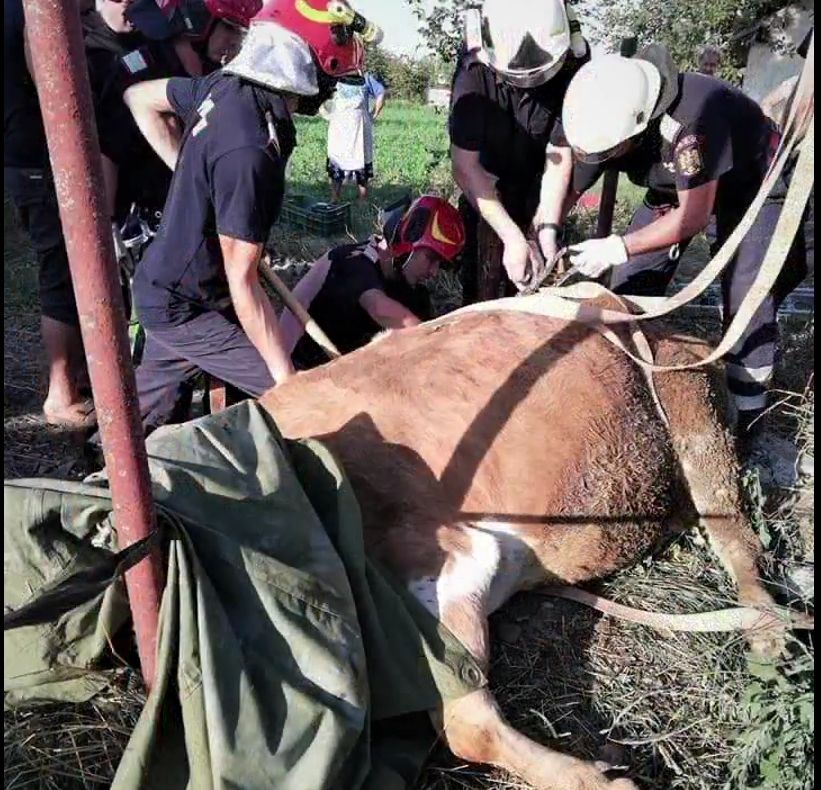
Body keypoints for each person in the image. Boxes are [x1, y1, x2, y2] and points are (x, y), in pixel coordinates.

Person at [122, 0, 379, 434]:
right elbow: (243, 280)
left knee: (145, 420)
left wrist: (195, 179)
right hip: (186, 306)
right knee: (298, 406)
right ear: (299, 61)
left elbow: (140, 98)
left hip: (168, 286)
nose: (331, 90)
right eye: (328, 77)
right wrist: (287, 381)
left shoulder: (222, 88)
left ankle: (109, 464)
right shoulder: (251, 148)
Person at [547, 46, 810, 436]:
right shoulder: (601, 111)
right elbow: (568, 183)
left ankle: (747, 416)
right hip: (673, 187)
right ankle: (632, 376)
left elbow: (692, 218)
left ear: (640, 128)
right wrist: (546, 229)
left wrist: (617, 245)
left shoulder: (693, 124)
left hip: (753, 188)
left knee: (746, 299)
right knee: (630, 280)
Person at [449, 0, 590, 303]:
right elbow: (464, 166)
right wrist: (511, 236)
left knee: (534, 277)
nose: (529, 85)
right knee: (479, 280)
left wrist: (548, 225)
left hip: (539, 178)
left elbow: (560, 151)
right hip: (486, 181)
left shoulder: (572, 65)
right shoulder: (473, 74)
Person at [4, 0, 94, 427]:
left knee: (61, 267)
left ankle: (73, 376)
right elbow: (48, 82)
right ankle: (60, 394)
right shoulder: (34, 12)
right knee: (59, 269)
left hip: (24, 154)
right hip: (39, 156)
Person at [280, 196, 465, 368]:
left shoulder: (413, 293)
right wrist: (436, 345)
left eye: (439, 264)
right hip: (297, 368)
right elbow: (379, 308)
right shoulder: (353, 261)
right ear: (409, 240)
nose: (433, 272)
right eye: (431, 259)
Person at [325, 70, 386, 202]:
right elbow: (321, 92)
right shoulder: (335, 76)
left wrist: (373, 115)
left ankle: (362, 199)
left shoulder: (366, 78)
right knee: (336, 159)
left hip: (359, 128)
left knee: (361, 159)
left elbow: (381, 93)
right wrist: (324, 112)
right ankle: (335, 198)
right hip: (339, 128)